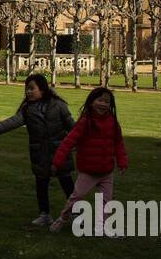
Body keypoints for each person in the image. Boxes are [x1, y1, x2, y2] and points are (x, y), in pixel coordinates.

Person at [0, 73, 76, 225]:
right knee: (41, 184)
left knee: (67, 183)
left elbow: (72, 127)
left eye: (32, 88)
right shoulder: (27, 109)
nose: (28, 92)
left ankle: (76, 212)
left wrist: (78, 142)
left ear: (43, 89)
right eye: (27, 89)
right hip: (40, 153)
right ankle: (44, 214)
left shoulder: (58, 106)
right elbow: (13, 121)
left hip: (60, 152)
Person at [48, 86, 128, 234]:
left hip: (106, 171)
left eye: (107, 102)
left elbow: (118, 143)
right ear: (91, 102)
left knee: (107, 202)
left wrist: (122, 162)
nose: (103, 104)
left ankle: (103, 227)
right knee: (76, 198)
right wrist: (56, 162)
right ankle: (63, 219)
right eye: (100, 100)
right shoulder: (85, 122)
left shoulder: (113, 123)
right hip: (88, 171)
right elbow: (68, 142)